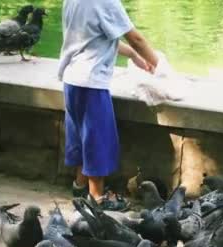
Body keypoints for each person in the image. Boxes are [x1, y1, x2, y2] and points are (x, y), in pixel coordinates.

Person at [58, 0, 158, 211]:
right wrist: (159, 65)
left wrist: (132, 55)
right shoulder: (106, 1)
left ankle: (79, 187)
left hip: (72, 79)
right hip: (91, 83)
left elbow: (94, 38)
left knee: (81, 137)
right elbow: (136, 38)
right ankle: (97, 199)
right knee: (97, 140)